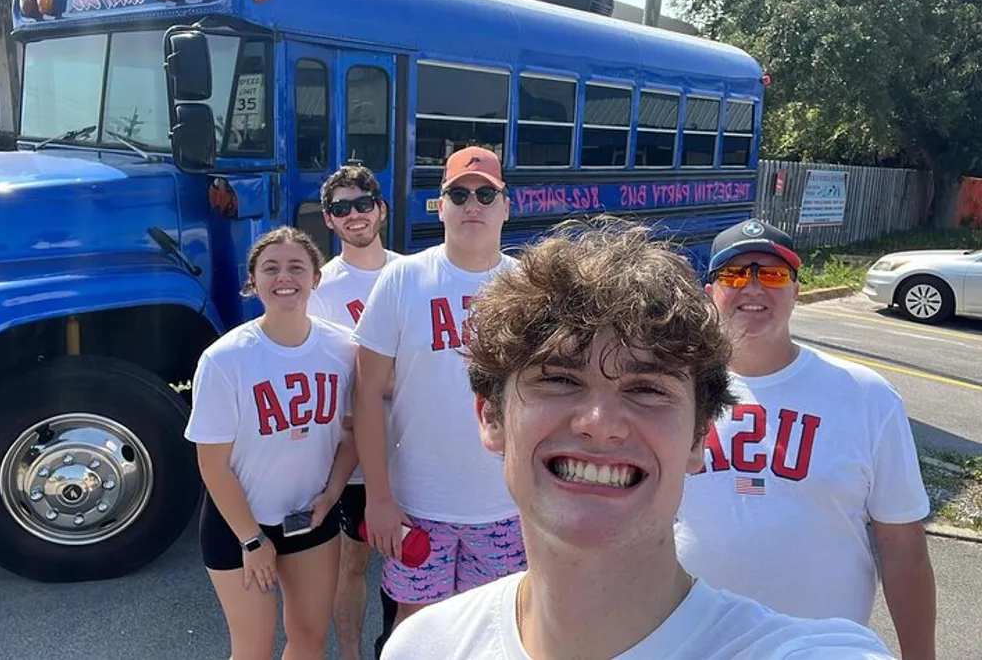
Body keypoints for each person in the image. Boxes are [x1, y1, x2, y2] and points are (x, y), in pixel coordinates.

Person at [379, 215, 895, 659]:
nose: (600, 421)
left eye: (647, 388)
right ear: (490, 417)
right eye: (559, 379)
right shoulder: (423, 645)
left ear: (699, 438)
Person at [675, 218, 936, 658]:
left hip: (821, 647)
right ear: (711, 293)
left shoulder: (866, 395)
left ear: (796, 291)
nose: (753, 288)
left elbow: (903, 545)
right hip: (693, 641)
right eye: (735, 274)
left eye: (773, 275)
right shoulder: (673, 390)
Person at [352, 146, 526, 630]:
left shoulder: (526, 286)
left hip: (505, 505)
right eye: (460, 193)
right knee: (416, 629)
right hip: (418, 502)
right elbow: (365, 394)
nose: (473, 204)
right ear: (441, 204)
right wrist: (378, 497)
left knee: (495, 630)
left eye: (486, 194)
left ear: (505, 206)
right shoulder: (404, 278)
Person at [185, 226, 359, 659]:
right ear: (253, 281)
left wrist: (333, 492)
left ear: (316, 279)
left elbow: (353, 433)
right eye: (271, 268)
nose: (285, 277)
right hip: (238, 525)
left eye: (297, 267)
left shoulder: (342, 348)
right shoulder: (226, 358)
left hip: (309, 517)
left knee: (309, 637)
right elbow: (213, 464)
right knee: (253, 648)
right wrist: (251, 540)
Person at [306, 163, 401, 660]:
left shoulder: (412, 274)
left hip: (414, 449)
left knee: (413, 563)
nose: (355, 215)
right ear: (329, 219)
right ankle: (351, 655)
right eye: (342, 208)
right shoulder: (319, 290)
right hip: (357, 458)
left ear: (380, 209)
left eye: (363, 204)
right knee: (353, 563)